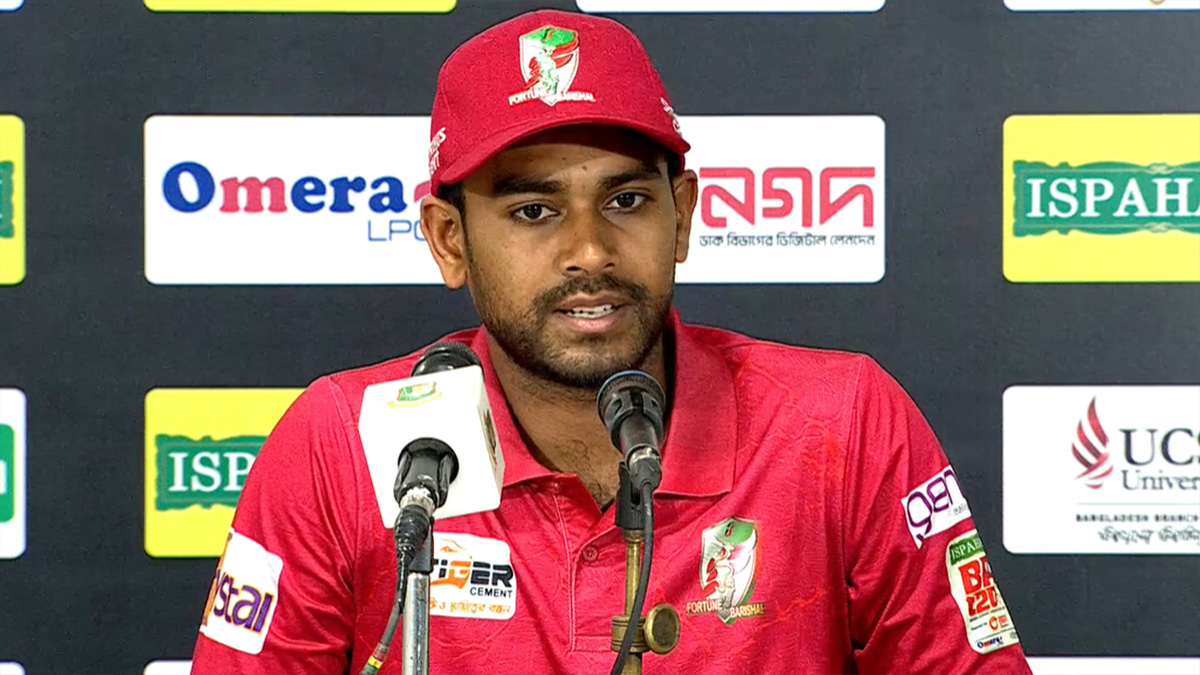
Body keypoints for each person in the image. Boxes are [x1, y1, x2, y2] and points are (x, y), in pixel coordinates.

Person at [190, 8, 1033, 675]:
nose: (590, 251)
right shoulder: (337, 445)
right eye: (534, 211)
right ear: (449, 239)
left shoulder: (840, 424)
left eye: (626, 201)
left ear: (683, 216)